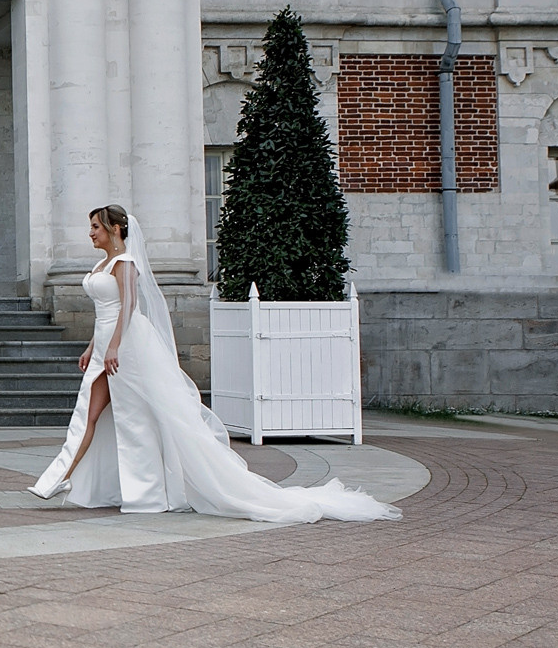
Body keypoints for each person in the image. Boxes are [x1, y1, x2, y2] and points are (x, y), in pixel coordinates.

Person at [30, 204, 398, 524]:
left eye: (95, 226)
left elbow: (128, 308)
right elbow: (105, 312)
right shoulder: (102, 262)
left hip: (128, 347)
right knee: (92, 416)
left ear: (114, 229)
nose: (89, 233)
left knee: (138, 418)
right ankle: (63, 480)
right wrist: (92, 345)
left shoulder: (125, 264)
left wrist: (112, 347)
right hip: (106, 346)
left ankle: (144, 492)